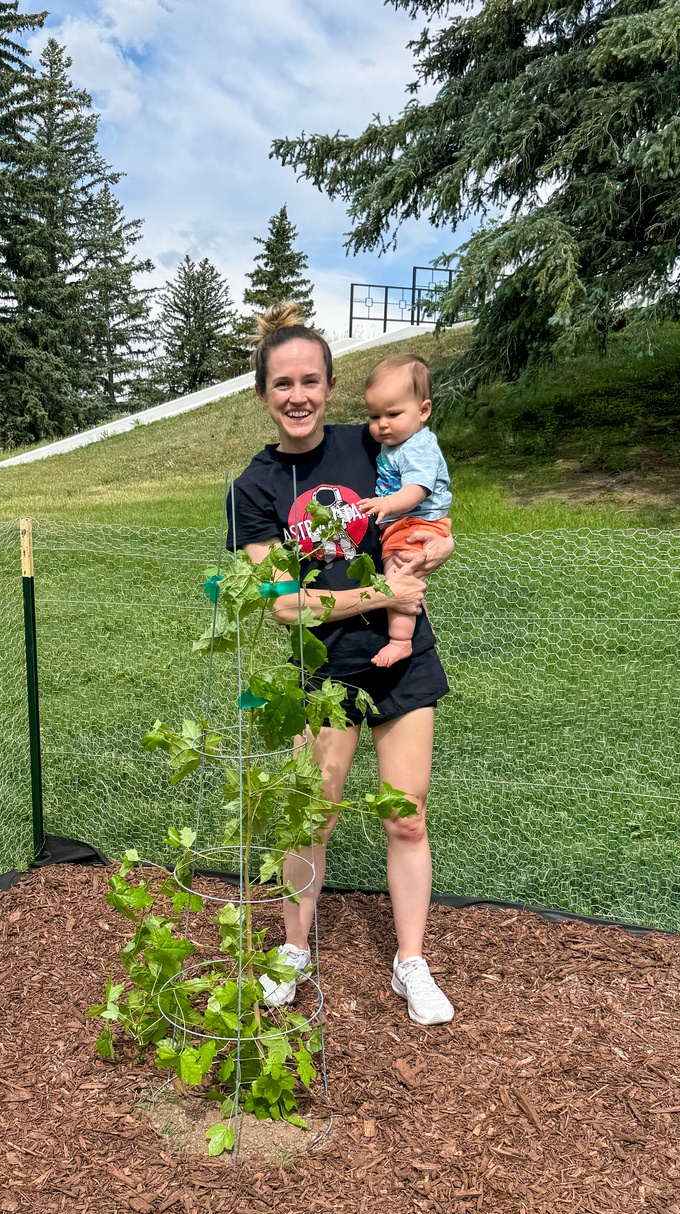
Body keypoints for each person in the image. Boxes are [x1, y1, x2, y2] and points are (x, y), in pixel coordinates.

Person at [224, 302, 455, 1026]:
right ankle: (294, 951)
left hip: (402, 661)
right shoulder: (254, 491)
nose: (299, 395)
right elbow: (286, 606)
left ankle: (409, 962)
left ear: (330, 386)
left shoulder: (372, 442)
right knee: (310, 820)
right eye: (283, 382)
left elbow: (434, 507)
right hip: (321, 676)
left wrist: (435, 549)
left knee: (407, 818)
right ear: (263, 392)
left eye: (312, 380)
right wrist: (379, 592)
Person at [357, 353, 453, 668]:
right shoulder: (397, 443)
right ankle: (412, 617)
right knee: (400, 576)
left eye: (393, 414)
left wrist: (386, 503)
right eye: (374, 416)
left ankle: (401, 641)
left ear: (423, 410)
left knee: (396, 580)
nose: (382, 425)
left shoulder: (419, 448)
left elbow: (416, 490)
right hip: (403, 525)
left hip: (416, 522)